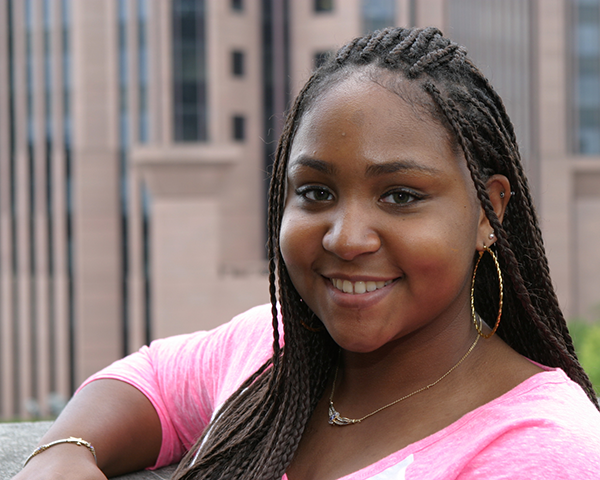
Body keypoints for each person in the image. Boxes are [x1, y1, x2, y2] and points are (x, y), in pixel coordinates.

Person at [14, 27, 600, 480]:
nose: (346, 238)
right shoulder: (271, 355)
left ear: (487, 212)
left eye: (400, 196)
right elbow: (152, 380)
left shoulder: (539, 444)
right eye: (317, 192)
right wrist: (64, 452)